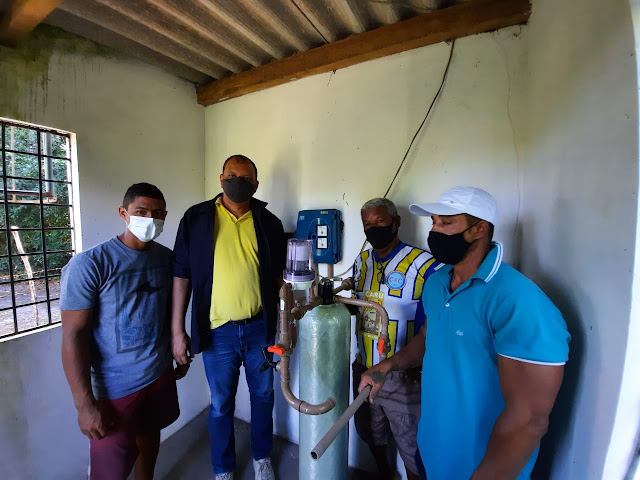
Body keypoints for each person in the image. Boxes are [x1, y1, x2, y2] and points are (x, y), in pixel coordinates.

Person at [358, 186, 571, 480]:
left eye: (446, 223)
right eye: (433, 222)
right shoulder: (437, 283)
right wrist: (387, 366)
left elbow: (529, 420)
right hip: (433, 447)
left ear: (479, 229)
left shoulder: (520, 303)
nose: (435, 231)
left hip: (482, 463)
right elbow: (427, 338)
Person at [171, 155, 286, 480]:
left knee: (263, 396)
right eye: (232, 175)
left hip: (260, 329)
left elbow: (280, 278)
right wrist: (177, 330)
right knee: (221, 403)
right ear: (221, 178)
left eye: (245, 177)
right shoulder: (196, 218)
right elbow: (181, 274)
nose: (238, 181)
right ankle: (223, 468)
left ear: (256, 184)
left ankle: (262, 457)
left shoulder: (268, 222)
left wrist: (287, 323)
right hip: (217, 332)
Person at [61, 183, 183, 480]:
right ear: (123, 213)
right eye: (141, 211)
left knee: (149, 438)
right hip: (114, 388)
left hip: (158, 373)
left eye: (157, 213)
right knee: (110, 469)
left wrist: (178, 343)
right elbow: (73, 335)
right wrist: (84, 404)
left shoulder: (166, 259)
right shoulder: (90, 264)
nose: (149, 219)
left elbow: (169, 310)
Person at [351, 198, 440, 480]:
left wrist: (418, 365)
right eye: (367, 224)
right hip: (365, 367)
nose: (373, 228)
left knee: (412, 446)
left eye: (380, 221)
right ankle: (385, 474)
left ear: (396, 222)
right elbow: (354, 306)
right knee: (371, 432)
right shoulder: (361, 262)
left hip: (403, 373)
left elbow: (435, 324)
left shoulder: (425, 265)